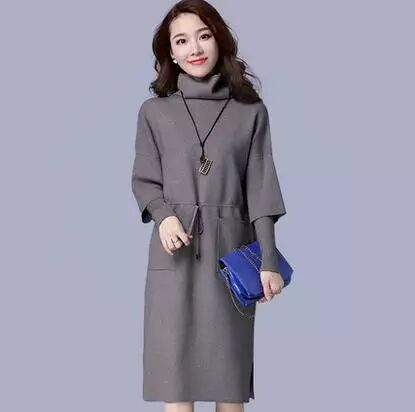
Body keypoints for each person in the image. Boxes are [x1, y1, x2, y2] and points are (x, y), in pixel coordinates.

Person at [131, 1, 287, 411]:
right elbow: (144, 180)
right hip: (175, 254)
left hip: (230, 253)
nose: (194, 48)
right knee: (176, 384)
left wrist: (268, 260)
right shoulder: (154, 113)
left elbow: (262, 190)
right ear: (170, 52)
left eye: (203, 36)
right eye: (181, 41)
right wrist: (164, 216)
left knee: (229, 386)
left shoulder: (251, 112)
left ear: (219, 39)